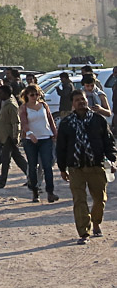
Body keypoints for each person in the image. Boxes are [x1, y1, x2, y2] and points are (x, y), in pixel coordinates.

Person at [55, 89, 117, 244]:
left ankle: (96, 222)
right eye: (77, 100)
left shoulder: (98, 120)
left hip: (96, 166)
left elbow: (109, 142)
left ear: (87, 100)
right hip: (76, 168)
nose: (81, 102)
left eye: (82, 99)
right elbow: (61, 147)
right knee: (79, 200)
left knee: (100, 199)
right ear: (73, 104)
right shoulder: (66, 123)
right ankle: (84, 233)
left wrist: (113, 159)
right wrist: (62, 168)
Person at [19, 84, 59, 203]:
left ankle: (50, 192)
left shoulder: (43, 105)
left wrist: (54, 133)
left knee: (47, 165)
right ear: (26, 95)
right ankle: (35, 192)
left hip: (45, 138)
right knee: (33, 165)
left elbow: (50, 121)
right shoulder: (24, 108)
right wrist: (30, 134)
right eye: (32, 95)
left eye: (37, 94)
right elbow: (24, 123)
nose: (35, 97)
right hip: (30, 140)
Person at [0, 84, 28, 189]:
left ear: (6, 94)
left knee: (5, 160)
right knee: (18, 158)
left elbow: (16, 122)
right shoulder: (6, 103)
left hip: (9, 136)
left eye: (1, 93)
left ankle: (1, 182)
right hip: (5, 136)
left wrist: (15, 136)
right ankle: (32, 176)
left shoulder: (11, 105)